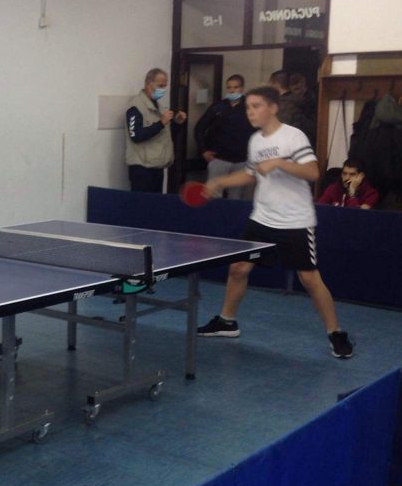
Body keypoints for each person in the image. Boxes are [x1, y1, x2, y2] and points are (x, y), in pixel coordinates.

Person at [195, 86, 354, 359]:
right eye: (248, 107)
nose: (250, 112)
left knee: (309, 279)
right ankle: (227, 321)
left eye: (256, 106)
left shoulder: (293, 136)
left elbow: (313, 172)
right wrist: (220, 181)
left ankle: (336, 332)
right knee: (238, 268)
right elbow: (251, 174)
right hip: (262, 218)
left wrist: (280, 163)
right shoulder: (255, 140)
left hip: (295, 221)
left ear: (273, 107)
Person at [194, 73, 255, 199]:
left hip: (241, 160)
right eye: (229, 87)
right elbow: (200, 127)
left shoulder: (249, 107)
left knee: (236, 197)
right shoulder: (218, 107)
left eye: (236, 87)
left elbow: (257, 131)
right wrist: (203, 150)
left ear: (242, 88)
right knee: (213, 195)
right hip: (219, 158)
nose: (232, 90)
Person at [126, 68, 187, 192]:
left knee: (156, 203)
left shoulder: (159, 107)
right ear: (149, 84)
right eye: (160, 86)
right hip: (142, 169)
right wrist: (160, 123)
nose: (163, 90)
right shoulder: (135, 106)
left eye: (165, 86)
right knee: (142, 203)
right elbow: (136, 135)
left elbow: (164, 134)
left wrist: (177, 123)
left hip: (157, 166)